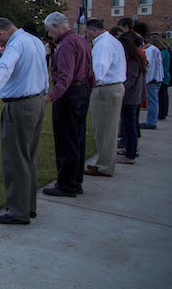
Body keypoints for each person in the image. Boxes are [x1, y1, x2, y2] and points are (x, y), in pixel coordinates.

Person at [0, 18, 49, 225]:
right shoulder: (34, 41)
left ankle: (18, 210)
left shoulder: (16, 44)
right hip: (36, 101)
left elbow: (4, 68)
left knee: (16, 158)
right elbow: (44, 70)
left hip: (21, 106)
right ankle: (28, 206)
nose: (0, 45)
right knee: (29, 157)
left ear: (0, 33)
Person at [42, 12, 95, 197]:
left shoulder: (66, 45)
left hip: (68, 94)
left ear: (56, 26)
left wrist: (49, 97)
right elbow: (90, 72)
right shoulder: (82, 41)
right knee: (78, 137)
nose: (50, 35)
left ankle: (66, 184)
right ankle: (76, 180)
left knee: (66, 140)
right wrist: (88, 90)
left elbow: (65, 78)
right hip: (82, 92)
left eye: (50, 30)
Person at [83, 18, 126, 178]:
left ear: (94, 30)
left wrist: (86, 87)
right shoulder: (111, 41)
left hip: (105, 90)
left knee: (105, 130)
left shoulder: (103, 45)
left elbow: (98, 71)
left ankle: (104, 166)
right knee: (106, 130)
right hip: (111, 88)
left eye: (86, 31)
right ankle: (104, 163)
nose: (85, 35)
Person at [117, 32, 146, 165]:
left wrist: (120, 88)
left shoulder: (133, 60)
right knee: (129, 125)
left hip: (130, 98)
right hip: (131, 97)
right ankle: (129, 150)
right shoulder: (135, 58)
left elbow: (131, 79)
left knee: (130, 126)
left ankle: (130, 154)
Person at [141, 37, 164, 130]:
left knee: (152, 102)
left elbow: (147, 63)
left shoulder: (149, 51)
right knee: (154, 101)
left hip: (152, 78)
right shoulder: (155, 49)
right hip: (157, 77)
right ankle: (151, 121)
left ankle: (151, 122)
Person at [149, 35, 172, 120]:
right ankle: (163, 112)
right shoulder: (166, 51)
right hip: (166, 75)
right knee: (163, 96)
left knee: (160, 96)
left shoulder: (161, 53)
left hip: (162, 76)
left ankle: (161, 114)